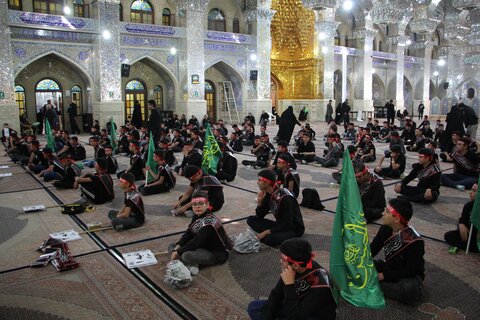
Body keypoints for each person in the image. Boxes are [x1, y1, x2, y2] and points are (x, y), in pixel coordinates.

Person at [248, 241, 337, 320]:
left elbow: (296, 316)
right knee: (254, 307)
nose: (280, 261)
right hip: (295, 304)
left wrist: (289, 285)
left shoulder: (320, 285)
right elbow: (276, 294)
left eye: (283, 259)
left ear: (295, 265)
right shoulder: (295, 269)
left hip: (313, 315)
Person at [370, 198, 425, 305]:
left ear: (396, 219)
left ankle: (374, 283)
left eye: (387, 211)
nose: (383, 213)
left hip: (409, 276)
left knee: (409, 290)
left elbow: (410, 271)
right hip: (390, 268)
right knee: (361, 264)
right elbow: (372, 250)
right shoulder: (385, 229)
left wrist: (383, 276)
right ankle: (376, 283)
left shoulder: (414, 241)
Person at [169, 191, 232, 270]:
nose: (197, 207)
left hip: (215, 253)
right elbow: (188, 233)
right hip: (201, 246)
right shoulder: (196, 215)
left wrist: (178, 252)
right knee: (172, 246)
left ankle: (190, 264)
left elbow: (197, 241)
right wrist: (177, 248)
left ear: (207, 204)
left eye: (201, 203)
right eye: (195, 204)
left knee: (186, 255)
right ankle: (190, 264)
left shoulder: (209, 222)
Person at [246, 169, 305, 247]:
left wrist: (266, 232)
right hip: (280, 224)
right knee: (251, 219)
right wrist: (260, 202)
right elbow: (259, 216)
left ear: (267, 182)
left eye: (259, 180)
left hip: (293, 228)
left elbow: (288, 223)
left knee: (269, 239)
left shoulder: (285, 197)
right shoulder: (268, 194)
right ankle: (272, 233)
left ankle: (272, 235)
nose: (257, 182)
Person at [444, 184, 479, 252]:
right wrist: (461, 224)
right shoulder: (468, 206)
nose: (470, 192)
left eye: (474, 191)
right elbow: (463, 222)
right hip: (470, 235)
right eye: (472, 190)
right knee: (448, 236)